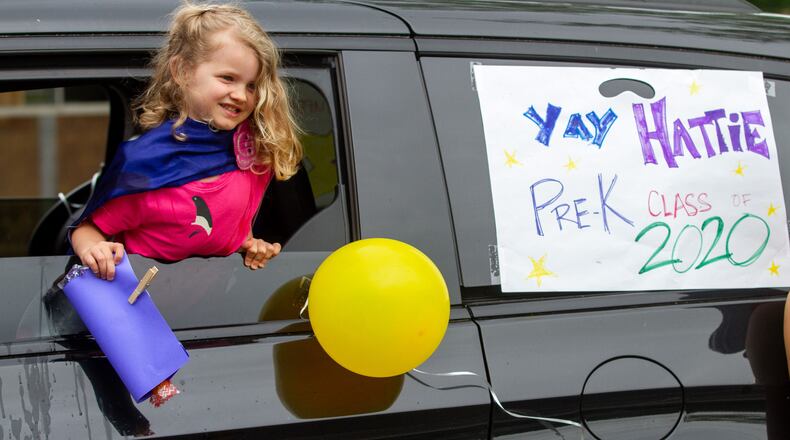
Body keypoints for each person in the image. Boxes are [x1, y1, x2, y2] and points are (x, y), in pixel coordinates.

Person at [70, 2, 302, 281]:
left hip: (210, 313)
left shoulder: (254, 161)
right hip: (138, 308)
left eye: (252, 86)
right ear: (182, 71)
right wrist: (95, 250)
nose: (241, 95)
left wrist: (249, 247)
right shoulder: (145, 164)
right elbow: (88, 229)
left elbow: (223, 234)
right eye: (228, 78)